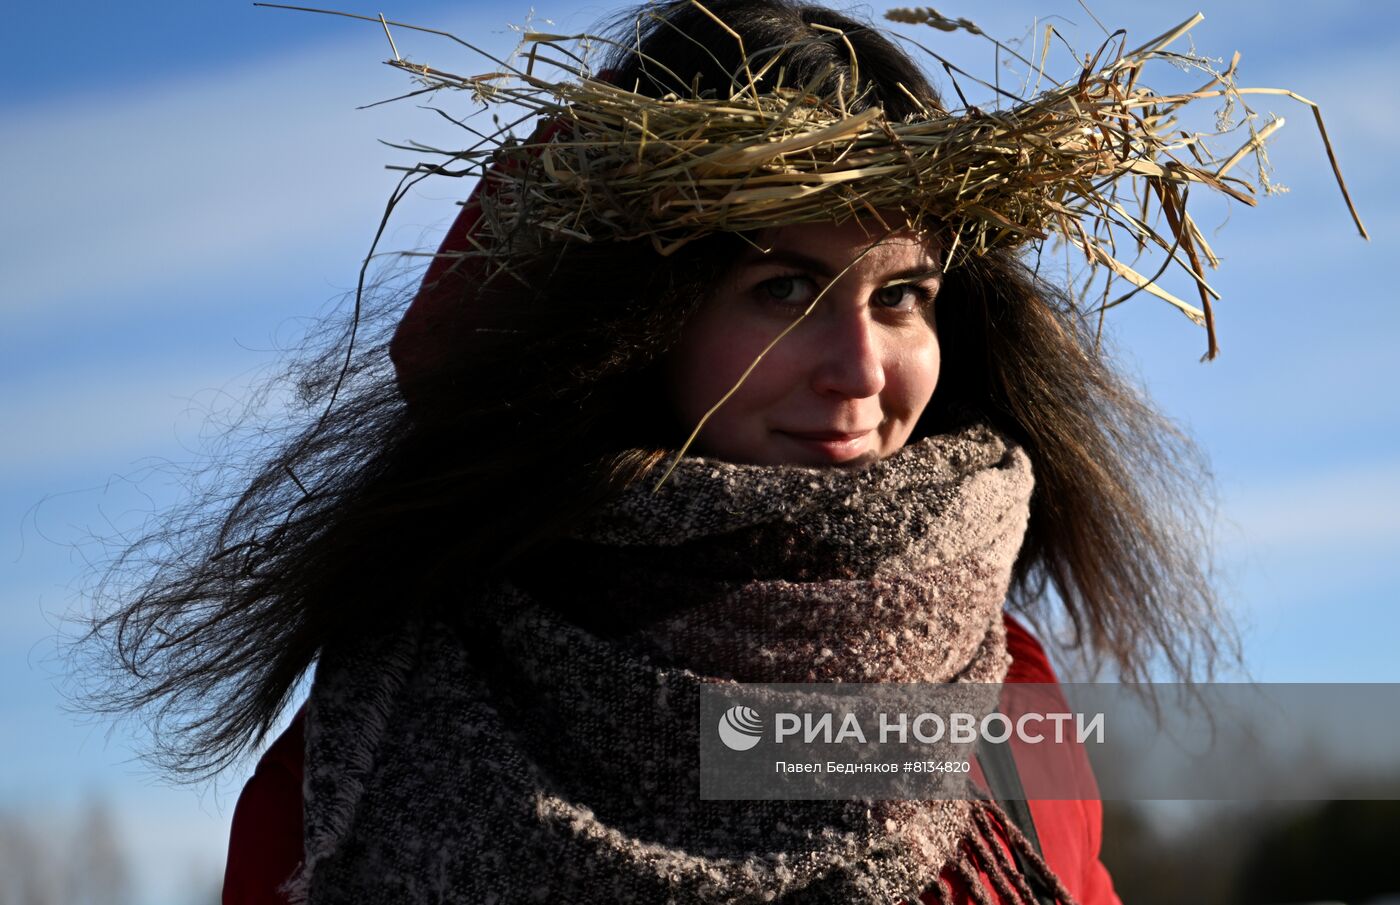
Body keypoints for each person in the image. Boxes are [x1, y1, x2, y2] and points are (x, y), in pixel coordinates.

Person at [76, 1, 1242, 902]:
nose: (857, 365)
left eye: (900, 295)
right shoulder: (416, 714)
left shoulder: (1002, 684)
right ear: (636, 319)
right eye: (781, 288)